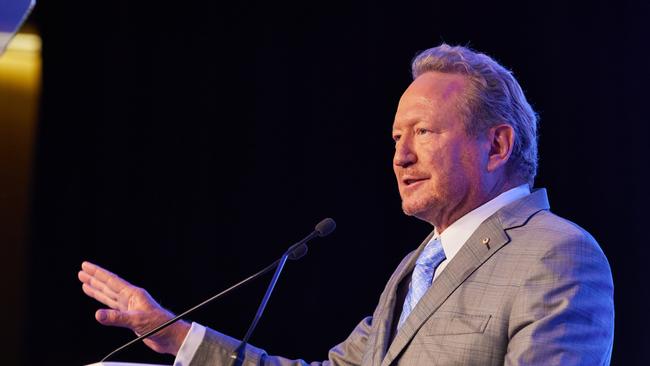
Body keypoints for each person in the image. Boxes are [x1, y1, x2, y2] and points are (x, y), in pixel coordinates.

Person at [79, 44, 615, 365]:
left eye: (423, 132)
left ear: (496, 145)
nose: (400, 157)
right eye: (394, 138)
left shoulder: (557, 254)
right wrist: (174, 335)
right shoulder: (418, 266)